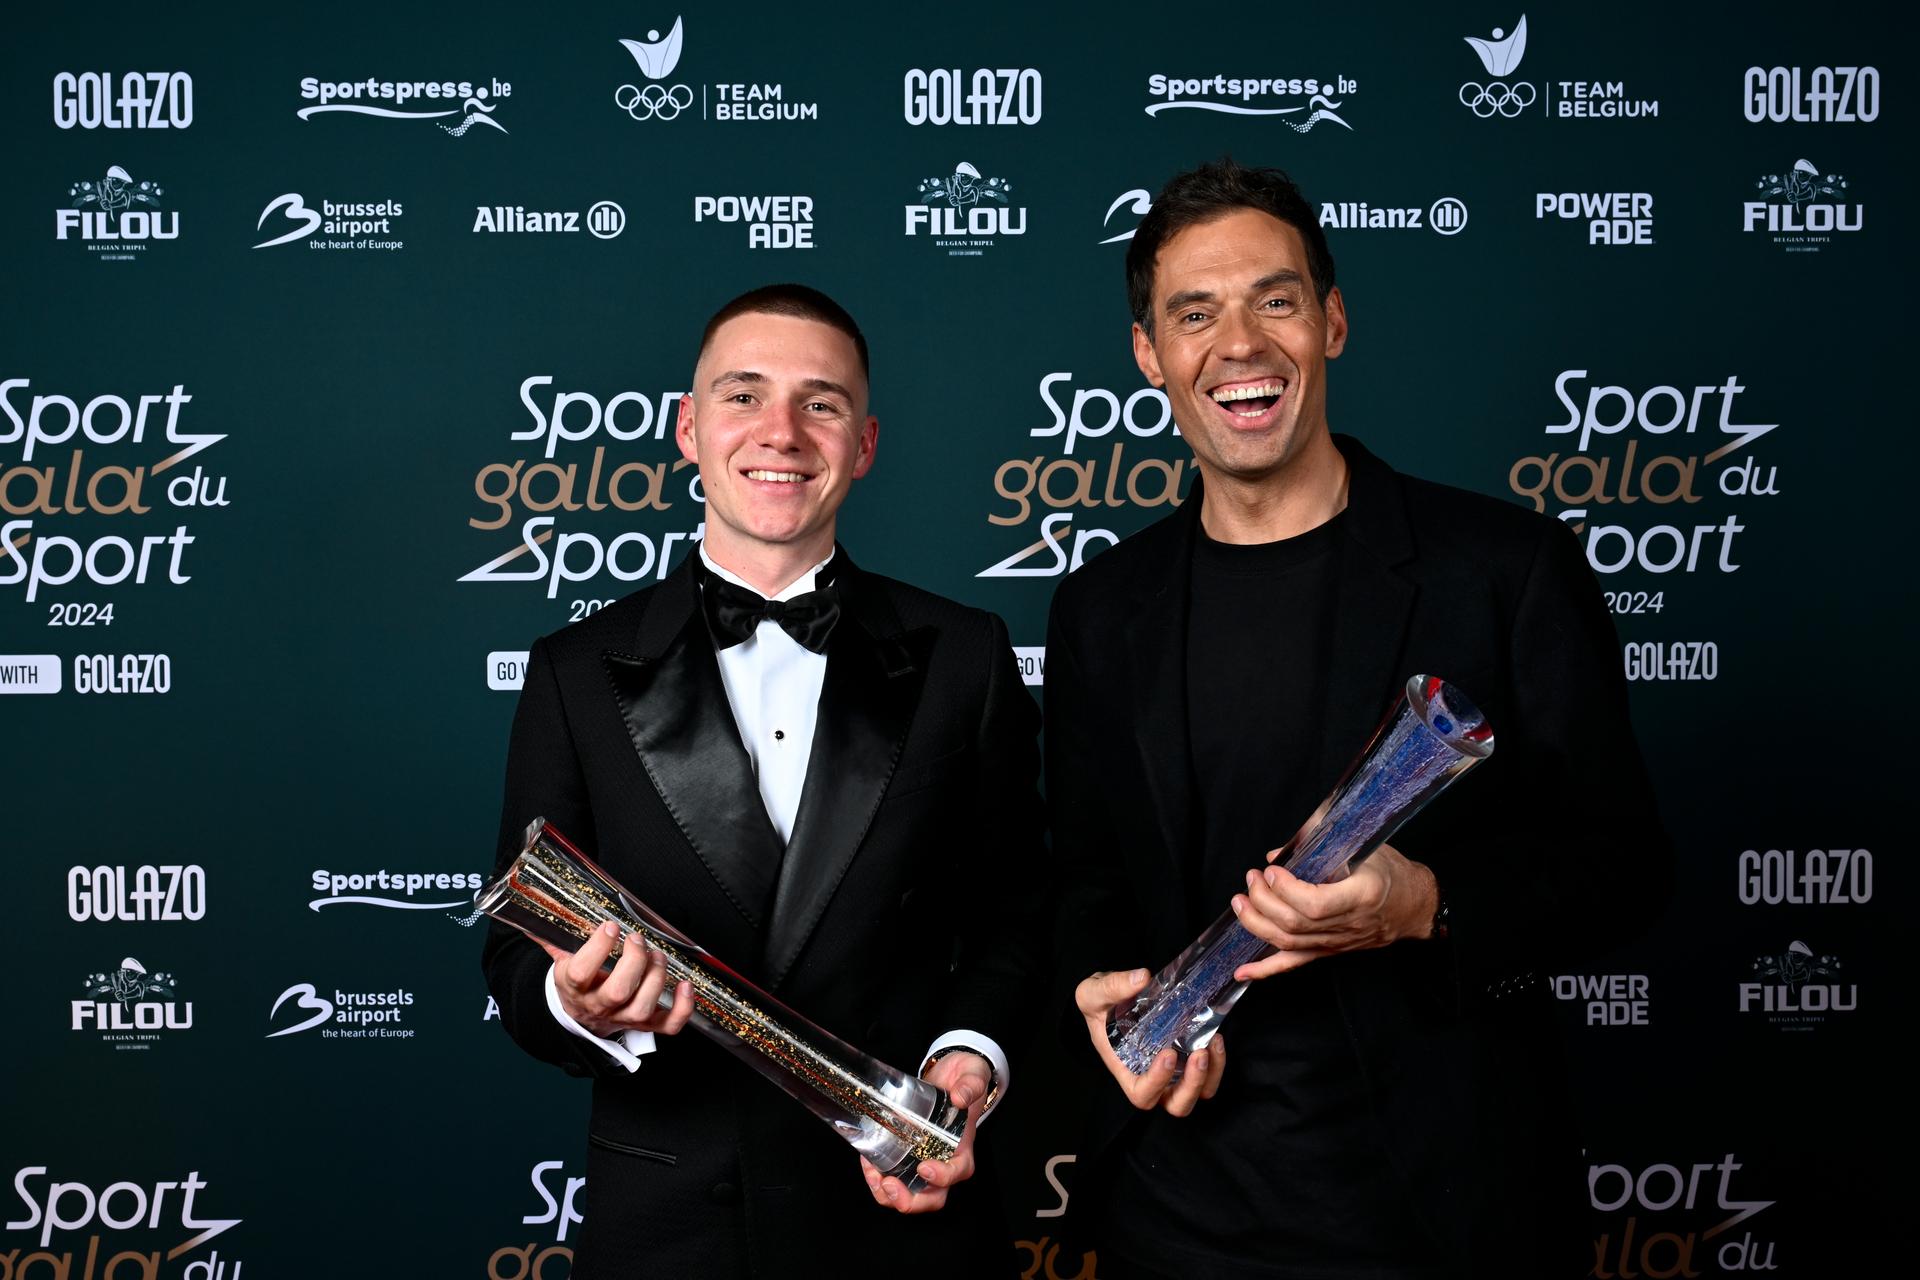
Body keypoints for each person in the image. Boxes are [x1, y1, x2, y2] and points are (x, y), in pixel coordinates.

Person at [1047, 160, 1671, 1278]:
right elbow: (1091, 883)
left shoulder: (1501, 569)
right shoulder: (1102, 607)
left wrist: (1426, 906)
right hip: (1179, 1213)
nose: (1240, 342)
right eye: (1196, 312)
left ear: (1330, 321)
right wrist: (1106, 998)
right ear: (1151, 356)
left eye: (1274, 299)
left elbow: (1625, 866)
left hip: (1442, 1212)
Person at [483, 284, 1042, 1278]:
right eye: (744, 396)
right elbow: (514, 960)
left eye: (820, 402)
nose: (781, 432)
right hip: (674, 1226)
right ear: (689, 430)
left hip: (904, 1217)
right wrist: (575, 999)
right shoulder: (575, 671)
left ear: (863, 444)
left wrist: (970, 1059)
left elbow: (1016, 914)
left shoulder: (965, 654)